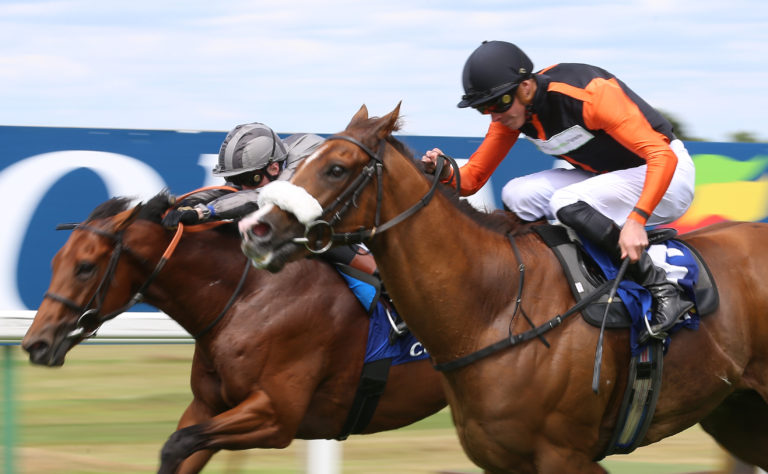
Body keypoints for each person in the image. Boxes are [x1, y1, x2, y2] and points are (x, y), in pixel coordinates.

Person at [421, 40, 696, 342]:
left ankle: (662, 288)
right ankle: (543, 282)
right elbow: (471, 179)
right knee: (517, 194)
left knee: (565, 200)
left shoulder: (589, 94)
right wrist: (444, 171)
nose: (494, 116)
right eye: (482, 109)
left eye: (498, 103)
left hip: (667, 175)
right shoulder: (514, 114)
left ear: (526, 86)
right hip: (611, 175)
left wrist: (636, 220)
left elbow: (661, 156)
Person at [163, 122, 377, 275]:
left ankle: (382, 282)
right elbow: (228, 192)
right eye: (236, 178)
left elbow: (256, 197)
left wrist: (205, 212)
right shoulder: (263, 165)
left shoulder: (302, 160)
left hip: (357, 220)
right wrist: (180, 205)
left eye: (248, 178)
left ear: (274, 167)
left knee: (316, 234)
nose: (242, 184)